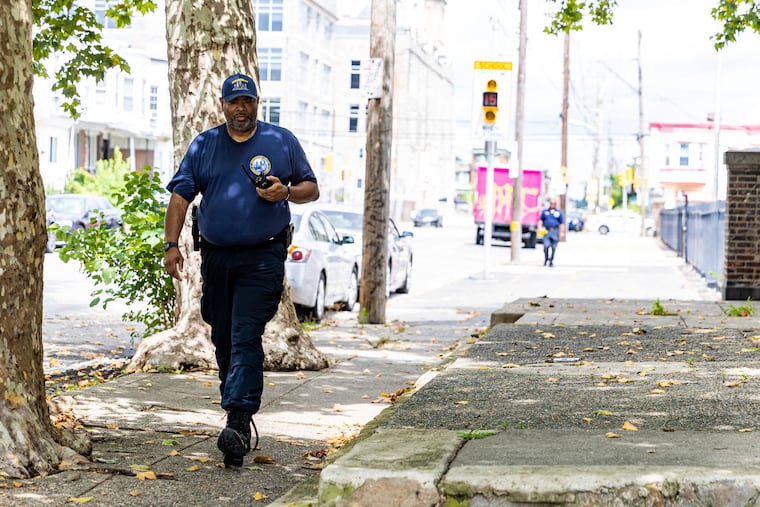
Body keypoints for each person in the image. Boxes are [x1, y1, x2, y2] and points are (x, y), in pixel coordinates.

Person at [163, 73, 319, 467]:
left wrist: (285, 191)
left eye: (247, 101)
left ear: (257, 103)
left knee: (245, 334)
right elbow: (180, 197)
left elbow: (310, 189)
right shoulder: (205, 145)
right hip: (216, 258)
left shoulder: (280, 141)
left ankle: (236, 418)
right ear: (223, 105)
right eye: (234, 101)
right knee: (224, 337)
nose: (241, 108)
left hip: (263, 256)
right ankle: (237, 413)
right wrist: (170, 246)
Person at [539, 197, 564, 267]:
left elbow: (561, 223)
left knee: (553, 247)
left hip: (555, 231)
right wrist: (540, 228)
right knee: (546, 246)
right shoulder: (545, 212)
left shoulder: (558, 213)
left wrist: (561, 232)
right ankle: (546, 258)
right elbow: (540, 221)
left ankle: (551, 261)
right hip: (546, 231)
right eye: (551, 203)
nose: (552, 204)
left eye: (554, 203)